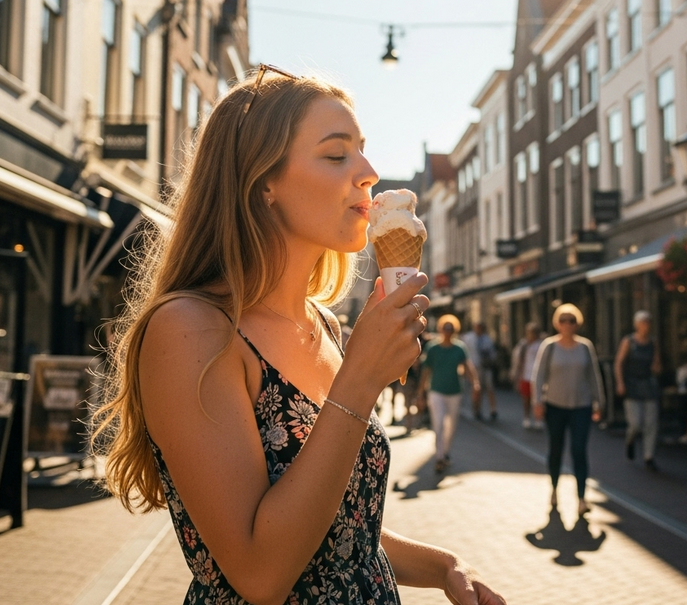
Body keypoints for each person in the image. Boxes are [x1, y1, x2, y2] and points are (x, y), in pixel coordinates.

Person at [90, 66, 505, 605]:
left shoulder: (324, 324)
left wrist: (445, 566)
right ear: (263, 181)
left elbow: (338, 528)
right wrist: (360, 380)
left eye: (363, 151)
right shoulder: (192, 329)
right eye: (337, 155)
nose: (369, 173)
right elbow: (260, 573)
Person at [531, 304, 604, 516]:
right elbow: (539, 376)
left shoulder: (585, 347)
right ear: (557, 323)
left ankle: (581, 498)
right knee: (556, 449)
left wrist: (599, 402)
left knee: (579, 450)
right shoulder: (549, 346)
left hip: (581, 406)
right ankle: (554, 489)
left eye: (571, 320)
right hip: (555, 406)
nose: (567, 324)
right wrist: (538, 402)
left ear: (577, 323)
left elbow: (593, 376)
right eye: (563, 320)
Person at [418, 314, 480, 473]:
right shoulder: (432, 348)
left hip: (454, 391)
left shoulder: (459, 348)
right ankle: (439, 457)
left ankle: (445, 452)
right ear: (440, 329)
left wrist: (475, 383)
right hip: (436, 391)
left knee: (451, 426)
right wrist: (420, 393)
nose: (447, 331)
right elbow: (426, 371)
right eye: (445, 328)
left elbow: (468, 366)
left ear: (454, 330)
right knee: (438, 424)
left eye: (450, 328)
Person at [615, 310, 662, 470]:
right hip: (632, 385)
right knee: (635, 423)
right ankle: (630, 440)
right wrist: (620, 382)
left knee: (651, 423)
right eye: (642, 323)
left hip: (648, 385)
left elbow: (657, 364)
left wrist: (657, 367)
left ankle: (649, 456)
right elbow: (619, 363)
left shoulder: (653, 342)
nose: (645, 326)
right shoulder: (629, 341)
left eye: (648, 323)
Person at [462, 322, 498, 421]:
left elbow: (492, 353)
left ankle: (493, 409)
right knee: (477, 389)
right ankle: (476, 409)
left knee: (490, 388)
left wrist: (490, 359)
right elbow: (464, 353)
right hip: (474, 367)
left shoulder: (487, 339)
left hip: (485, 367)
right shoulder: (468, 338)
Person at [511, 322, 545, 429]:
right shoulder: (523, 345)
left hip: (538, 376)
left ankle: (538, 419)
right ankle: (527, 417)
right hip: (526, 375)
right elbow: (518, 360)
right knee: (526, 399)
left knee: (538, 399)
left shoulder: (543, 344)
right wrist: (517, 374)